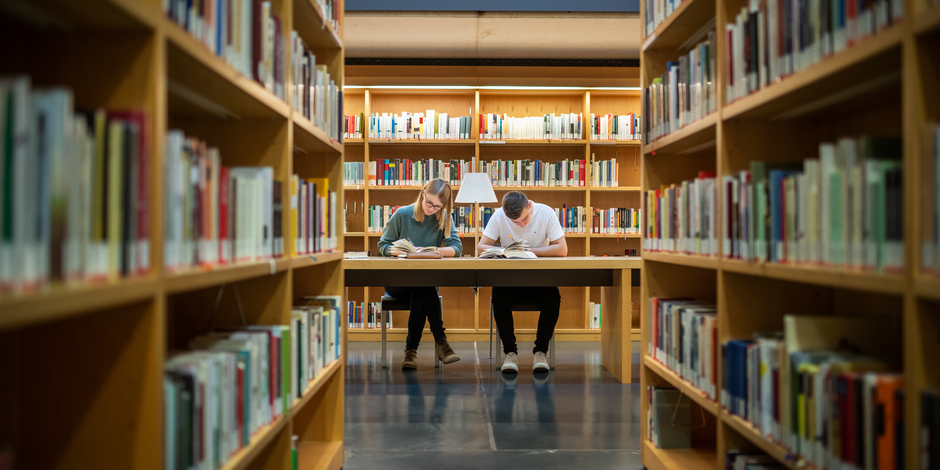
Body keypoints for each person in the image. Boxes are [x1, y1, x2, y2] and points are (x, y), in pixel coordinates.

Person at [476, 191, 568, 373]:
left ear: (530, 206)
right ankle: (510, 352)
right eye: (516, 222)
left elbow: (562, 249)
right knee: (499, 298)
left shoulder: (546, 212)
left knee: (553, 299)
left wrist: (530, 251)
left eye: (525, 219)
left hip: (539, 277)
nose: (522, 225)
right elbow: (481, 248)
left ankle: (540, 352)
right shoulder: (499, 215)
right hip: (510, 277)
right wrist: (504, 250)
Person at [377, 178, 462, 369]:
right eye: (429, 203)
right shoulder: (402, 214)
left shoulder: (443, 217)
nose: (432, 209)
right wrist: (403, 252)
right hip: (398, 281)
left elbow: (456, 248)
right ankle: (441, 341)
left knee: (421, 289)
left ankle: (411, 352)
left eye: (438, 206)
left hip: (424, 282)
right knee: (424, 287)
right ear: (423, 193)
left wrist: (432, 251)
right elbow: (383, 245)